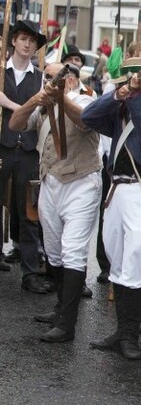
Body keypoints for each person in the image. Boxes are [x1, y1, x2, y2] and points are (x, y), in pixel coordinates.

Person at [83, 57, 141, 360]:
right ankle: (121, 331)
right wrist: (117, 95)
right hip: (117, 191)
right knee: (117, 262)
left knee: (134, 262)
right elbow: (88, 116)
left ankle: (130, 336)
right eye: (129, 79)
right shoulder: (120, 110)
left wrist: (135, 96)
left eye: (137, 79)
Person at [9, 62, 101, 342]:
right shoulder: (43, 107)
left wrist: (61, 99)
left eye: (55, 77)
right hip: (50, 183)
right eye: (46, 77)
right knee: (54, 251)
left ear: (70, 81)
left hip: (81, 183)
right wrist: (35, 100)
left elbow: (85, 121)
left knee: (72, 250)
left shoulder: (85, 99)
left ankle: (67, 324)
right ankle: (61, 308)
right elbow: (15, 124)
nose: (49, 81)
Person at [0, 20, 47, 294]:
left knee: (29, 213)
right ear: (14, 41)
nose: (28, 44)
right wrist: (18, 106)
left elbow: (41, 110)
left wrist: (15, 106)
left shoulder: (40, 77)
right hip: (3, 146)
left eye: (32, 41)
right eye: (23, 39)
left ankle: (29, 273)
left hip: (29, 151)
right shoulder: (1, 72)